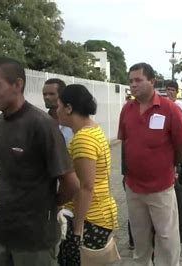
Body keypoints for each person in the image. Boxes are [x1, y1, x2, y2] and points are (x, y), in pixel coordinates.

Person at [0, 56, 79, 266]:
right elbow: (7, 175)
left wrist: (48, 207)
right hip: (0, 232)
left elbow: (71, 183)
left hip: (35, 239)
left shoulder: (42, 125)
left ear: (18, 85)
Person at [118, 63, 182, 266]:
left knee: (167, 239)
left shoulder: (170, 109)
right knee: (139, 238)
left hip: (161, 188)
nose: (133, 85)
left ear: (152, 82)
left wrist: (171, 163)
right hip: (134, 188)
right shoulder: (127, 110)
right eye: (131, 81)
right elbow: (125, 142)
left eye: (138, 80)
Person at [56, 84, 119, 265]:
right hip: (96, 216)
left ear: (69, 108)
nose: (56, 111)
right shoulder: (93, 130)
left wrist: (77, 228)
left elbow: (86, 186)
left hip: (90, 220)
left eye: (59, 106)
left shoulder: (84, 139)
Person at [165, 80, 182, 186]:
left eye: (172, 90)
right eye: (168, 89)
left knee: (178, 173)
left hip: (177, 143)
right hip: (165, 142)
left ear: (176, 92)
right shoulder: (161, 103)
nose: (170, 92)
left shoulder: (181, 106)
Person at [42, 78, 74, 146]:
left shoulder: (73, 123)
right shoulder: (41, 121)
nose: (47, 97)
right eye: (44, 94)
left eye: (51, 94)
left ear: (62, 95)